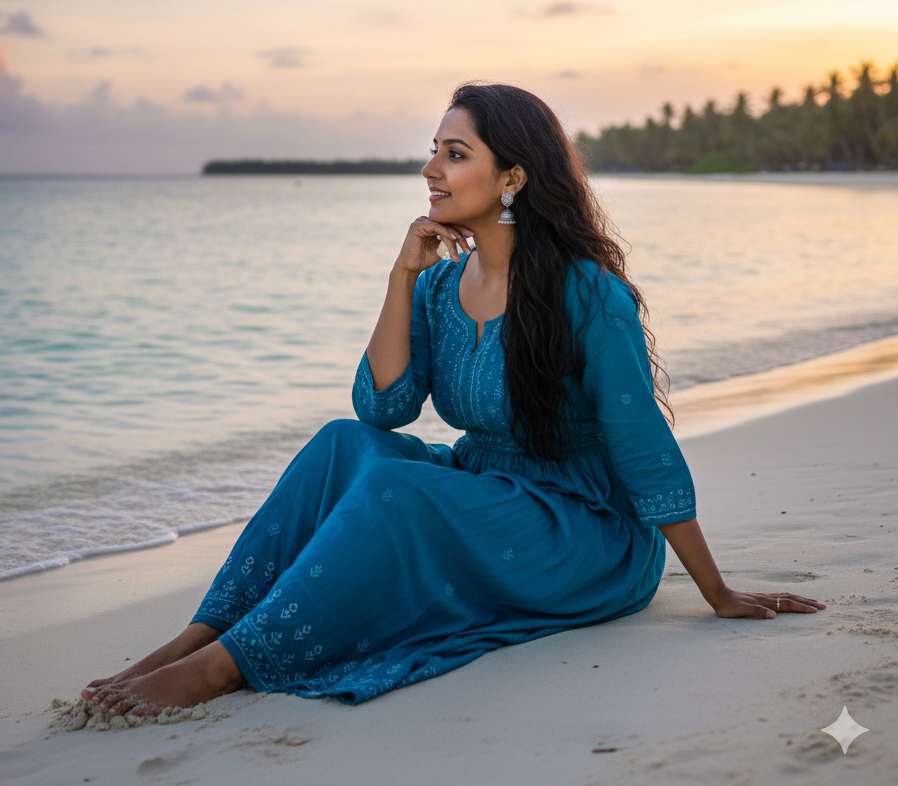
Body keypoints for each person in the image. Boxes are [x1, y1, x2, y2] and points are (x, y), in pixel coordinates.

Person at [83, 83, 824, 715]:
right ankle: (201, 634)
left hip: (584, 528)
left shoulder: (589, 295)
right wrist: (402, 275)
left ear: (513, 178)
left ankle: (224, 667)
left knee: (397, 491)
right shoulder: (440, 285)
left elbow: (641, 447)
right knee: (343, 444)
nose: (431, 168)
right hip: (490, 488)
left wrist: (716, 589)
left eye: (455, 153)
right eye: (435, 149)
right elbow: (384, 409)